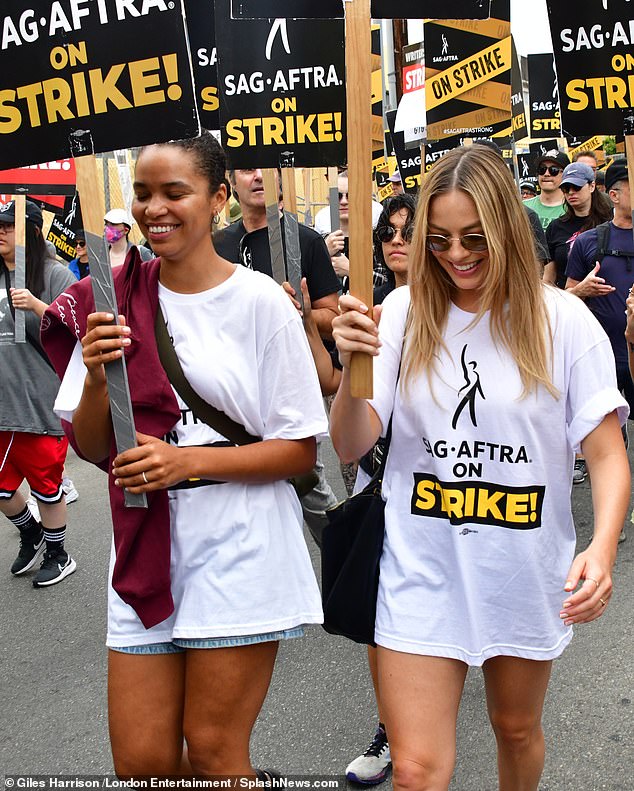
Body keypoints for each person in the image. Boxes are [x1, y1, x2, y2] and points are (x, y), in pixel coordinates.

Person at [329, 144, 629, 791]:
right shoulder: (406, 312)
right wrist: (351, 371)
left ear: (506, 229)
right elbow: (352, 444)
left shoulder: (564, 322)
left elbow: (607, 453)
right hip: (419, 567)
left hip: (519, 567)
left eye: (474, 239)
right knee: (413, 769)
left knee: (515, 729)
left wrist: (602, 548)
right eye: (438, 241)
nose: (457, 256)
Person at [41, 134, 327, 779]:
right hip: (145, 543)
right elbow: (92, 447)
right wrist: (93, 375)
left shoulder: (260, 304)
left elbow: (298, 450)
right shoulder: (110, 298)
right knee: (142, 763)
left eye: (176, 192)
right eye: (143, 193)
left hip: (240, 548)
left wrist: (187, 463)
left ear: (217, 198)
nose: (155, 208)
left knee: (215, 753)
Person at [344, 193, 416, 787]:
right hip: (377, 476)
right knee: (378, 607)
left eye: (409, 231)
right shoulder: (368, 304)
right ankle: (391, 726)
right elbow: (334, 389)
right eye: (388, 232)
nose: (397, 241)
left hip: (447, 490)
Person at [0, 199, 77, 586]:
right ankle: (30, 531)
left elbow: (75, 333)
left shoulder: (54, 274)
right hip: (2, 400)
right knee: (2, 489)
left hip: (38, 400)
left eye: (6, 225)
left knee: (47, 487)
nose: (0, 231)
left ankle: (59, 554)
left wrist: (36, 306)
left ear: (29, 229)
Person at [565, 159, 632, 517]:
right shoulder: (588, 242)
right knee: (610, 441)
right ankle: (615, 514)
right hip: (604, 356)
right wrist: (584, 290)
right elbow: (565, 297)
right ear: (614, 193)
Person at [213, 168, 339, 338]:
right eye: (248, 170)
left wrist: (299, 312)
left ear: (279, 179)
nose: (259, 176)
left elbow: (333, 320)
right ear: (232, 182)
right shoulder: (217, 245)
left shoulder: (307, 241)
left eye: (267, 169)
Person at [313, 170, 386, 290]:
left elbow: (386, 284)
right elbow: (308, 282)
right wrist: (323, 253)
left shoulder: (376, 240)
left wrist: (351, 270)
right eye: (337, 196)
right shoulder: (321, 241)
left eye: (350, 195)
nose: (344, 201)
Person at [545, 162, 611, 289]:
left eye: (577, 187)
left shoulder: (609, 222)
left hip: (605, 298)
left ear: (592, 186)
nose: (571, 192)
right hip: (567, 300)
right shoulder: (555, 227)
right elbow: (548, 279)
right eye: (566, 189)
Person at [523, 149, 569, 231]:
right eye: (542, 169)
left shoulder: (573, 207)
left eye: (553, 170)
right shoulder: (522, 207)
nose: (546, 174)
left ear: (565, 174)